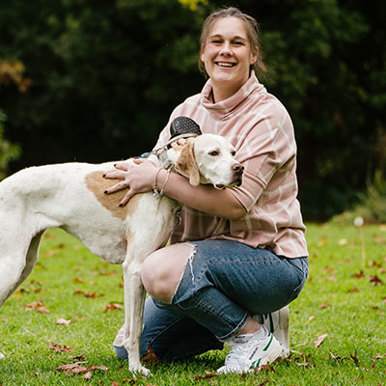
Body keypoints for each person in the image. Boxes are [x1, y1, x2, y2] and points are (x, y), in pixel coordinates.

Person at [104, 7, 308, 374]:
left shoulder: (268, 116)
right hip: (202, 262)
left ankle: (252, 340)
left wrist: (158, 179)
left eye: (237, 43)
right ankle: (253, 321)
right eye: (217, 42)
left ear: (254, 55)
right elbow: (157, 166)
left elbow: (236, 204)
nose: (225, 50)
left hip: (269, 261)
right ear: (203, 53)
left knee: (159, 271)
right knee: (131, 347)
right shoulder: (186, 111)